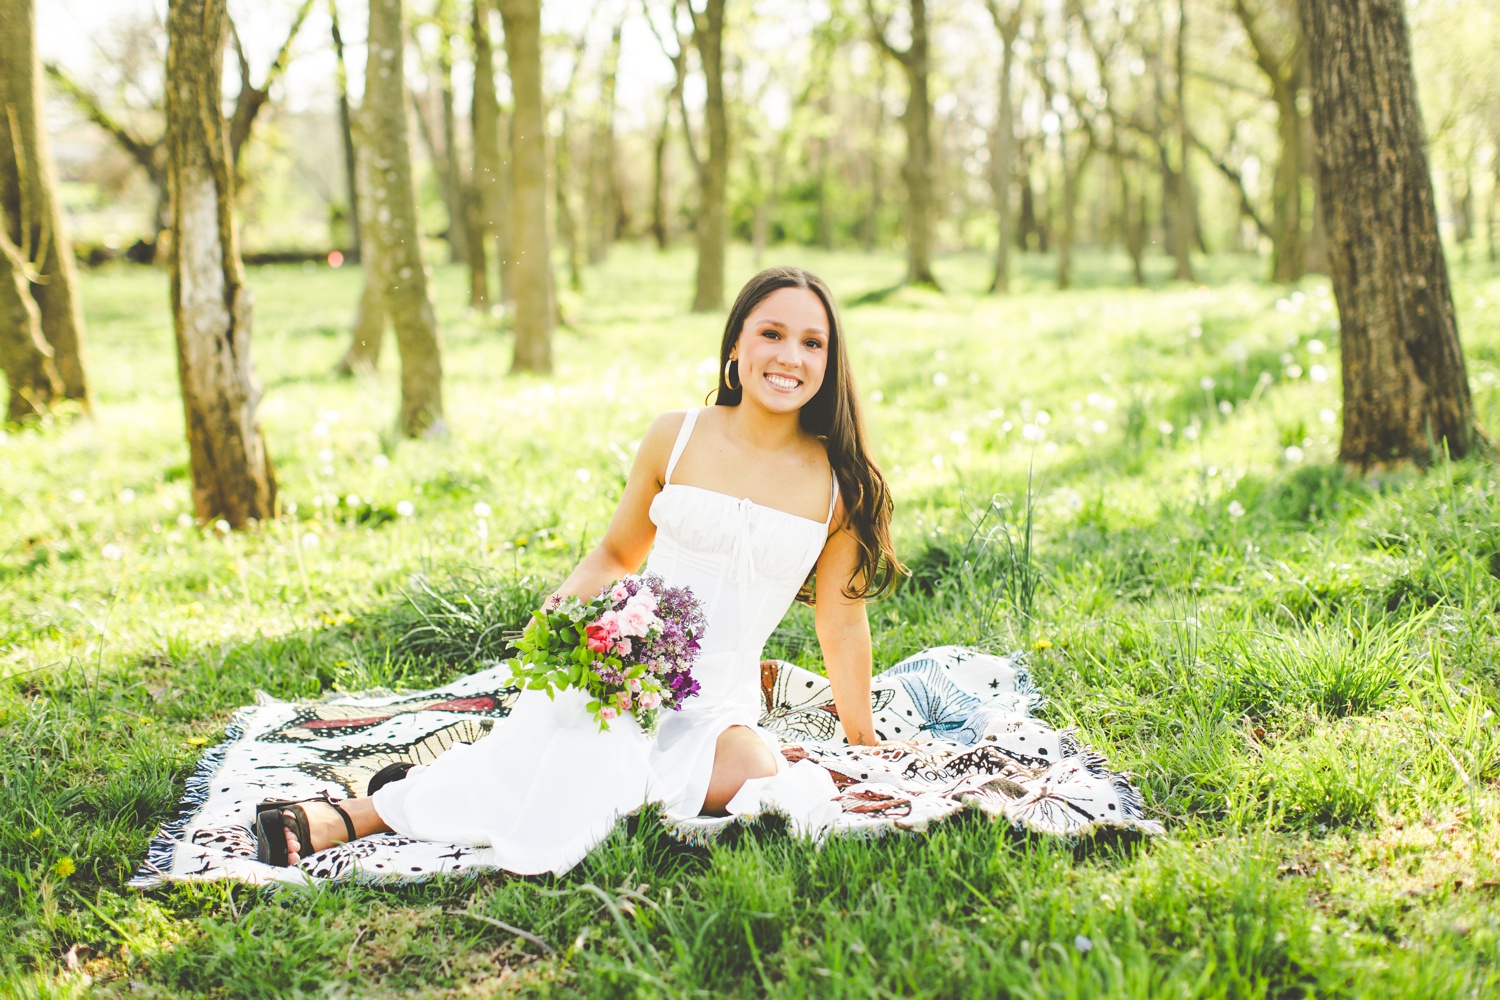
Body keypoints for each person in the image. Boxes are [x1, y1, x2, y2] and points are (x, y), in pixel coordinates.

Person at [254, 265, 904, 874]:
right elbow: (617, 556)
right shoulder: (675, 437)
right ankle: (364, 813)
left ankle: (453, 782)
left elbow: (841, 620)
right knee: (592, 754)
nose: (790, 356)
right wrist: (559, 617)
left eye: (812, 342)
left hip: (718, 710)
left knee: (761, 776)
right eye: (772, 333)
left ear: (829, 361)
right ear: (736, 345)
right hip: (623, 668)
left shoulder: (836, 484)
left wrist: (863, 741)